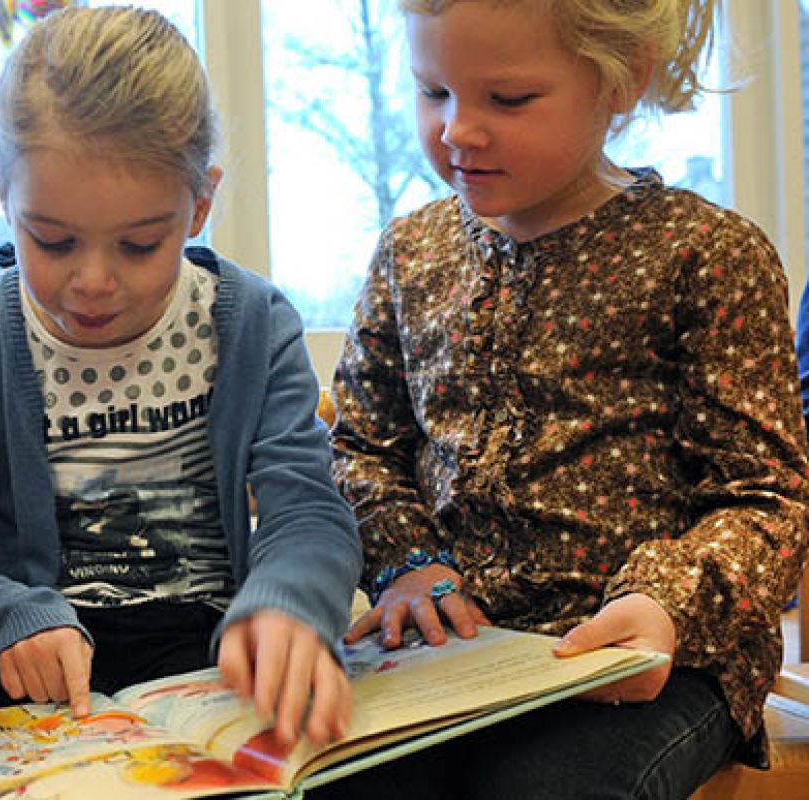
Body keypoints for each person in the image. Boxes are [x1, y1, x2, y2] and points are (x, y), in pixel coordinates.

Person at [323, 0, 809, 797]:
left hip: (651, 662)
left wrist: (666, 604)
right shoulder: (409, 254)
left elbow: (766, 500)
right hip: (450, 654)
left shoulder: (704, 255)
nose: (457, 130)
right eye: (432, 91)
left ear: (620, 83)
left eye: (506, 100)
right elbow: (362, 448)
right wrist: (407, 565)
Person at [0, 5, 362, 750]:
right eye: (51, 240)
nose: (93, 282)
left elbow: (305, 514)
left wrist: (284, 605)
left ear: (199, 203)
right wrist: (10, 619)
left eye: (140, 245)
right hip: (32, 678)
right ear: (1, 193)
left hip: (210, 664)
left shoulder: (249, 323)